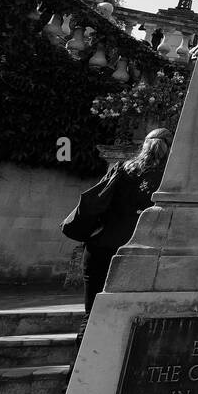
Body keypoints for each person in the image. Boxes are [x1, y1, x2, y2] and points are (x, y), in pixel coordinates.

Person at [79, 129, 173, 313]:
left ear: (144, 145)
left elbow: (98, 201)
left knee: (92, 313)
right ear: (170, 148)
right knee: (125, 313)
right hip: (137, 250)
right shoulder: (167, 180)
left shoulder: (121, 168)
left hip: (101, 244)